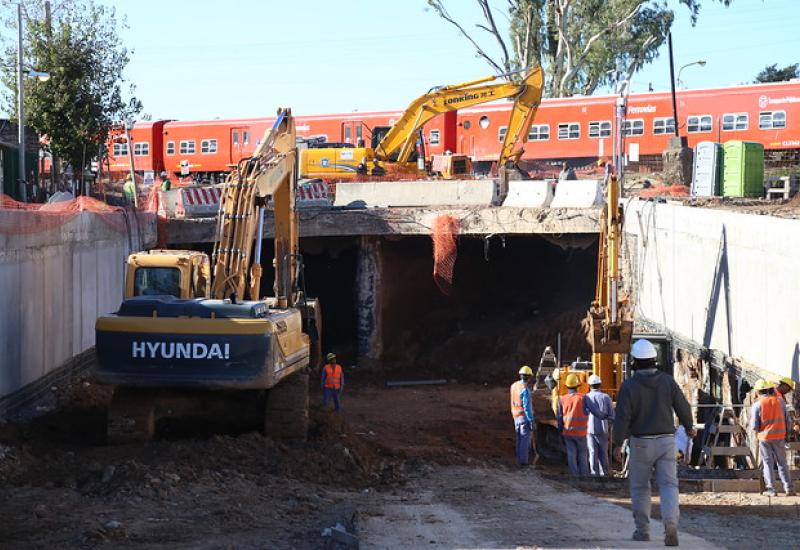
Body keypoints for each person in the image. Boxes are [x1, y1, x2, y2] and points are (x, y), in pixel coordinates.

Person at [612, 339, 695, 546]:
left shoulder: (628, 386)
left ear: (634, 362)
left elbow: (622, 417)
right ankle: (670, 525)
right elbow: (682, 406)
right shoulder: (667, 381)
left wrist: (617, 443)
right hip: (667, 441)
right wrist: (689, 426)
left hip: (641, 443)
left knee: (640, 487)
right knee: (668, 485)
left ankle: (643, 531)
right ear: (654, 360)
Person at [557, 373, 607, 477]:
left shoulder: (561, 399)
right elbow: (595, 411)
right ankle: (584, 477)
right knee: (582, 455)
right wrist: (607, 416)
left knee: (571, 454)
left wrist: (561, 431)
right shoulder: (583, 398)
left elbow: (559, 417)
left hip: (567, 432)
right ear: (578, 386)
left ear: (566, 386)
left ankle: (574, 477)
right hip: (581, 432)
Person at [751, 379, 795, 497]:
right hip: (780, 437)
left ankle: (771, 489)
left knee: (767, 463)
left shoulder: (757, 405)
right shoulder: (780, 401)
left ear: (759, 391)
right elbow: (788, 420)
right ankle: (789, 488)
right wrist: (788, 435)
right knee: (782, 463)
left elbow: (754, 426)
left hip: (764, 438)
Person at [585, 374, 615, 476]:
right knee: (603, 453)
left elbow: (584, 413)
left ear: (589, 385)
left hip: (590, 429)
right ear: (600, 384)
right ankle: (604, 474)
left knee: (592, 452)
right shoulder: (606, 397)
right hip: (603, 429)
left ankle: (594, 474)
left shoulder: (586, 397)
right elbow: (611, 415)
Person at [510, 366, 536, 467]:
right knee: (525, 440)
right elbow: (527, 408)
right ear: (529, 377)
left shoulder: (514, 386)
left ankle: (519, 460)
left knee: (519, 439)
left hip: (515, 416)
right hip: (524, 417)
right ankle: (523, 462)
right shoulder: (525, 390)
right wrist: (531, 420)